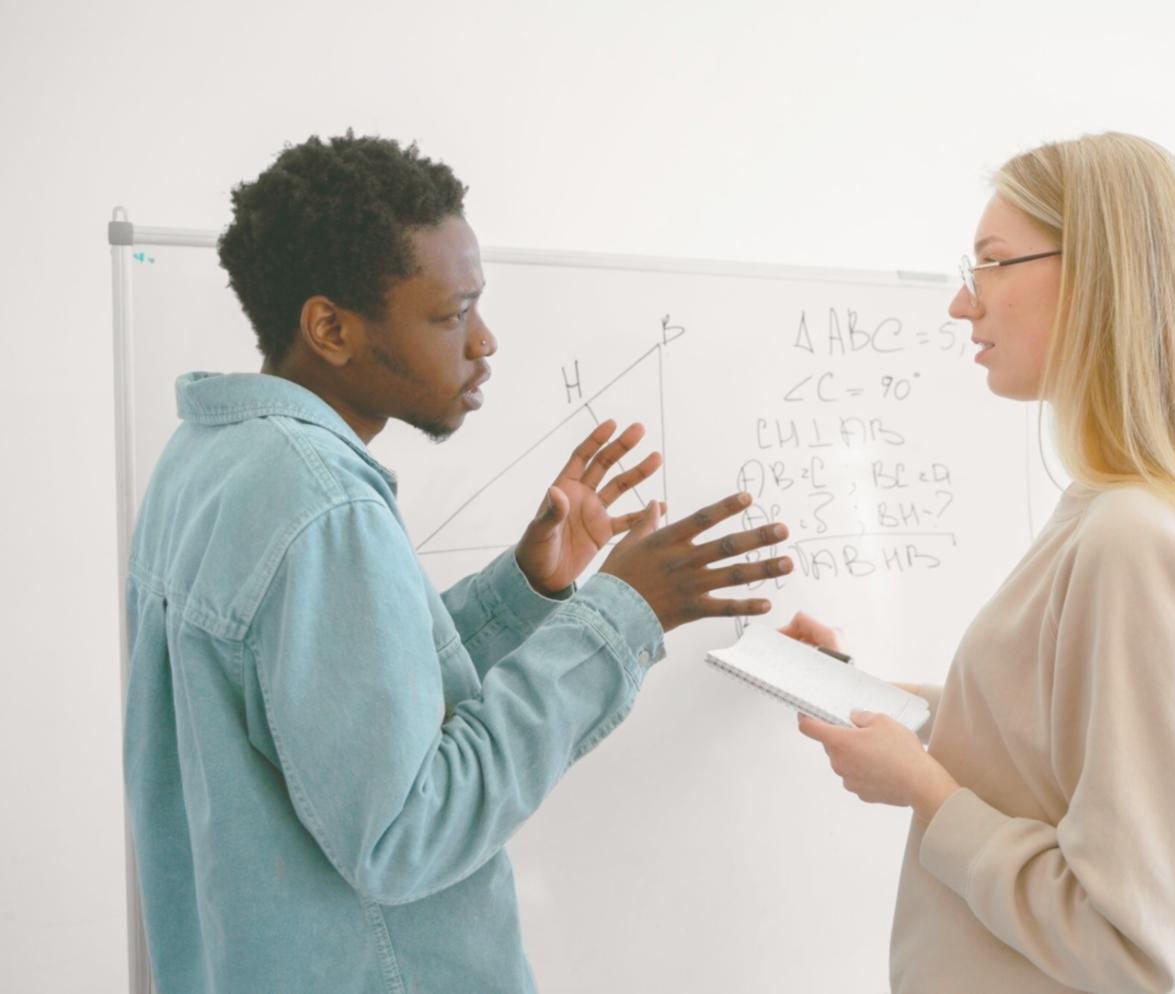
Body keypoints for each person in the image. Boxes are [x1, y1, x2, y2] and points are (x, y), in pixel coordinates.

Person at [122, 132, 794, 993]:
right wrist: (621, 614)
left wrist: (526, 591)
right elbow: (405, 829)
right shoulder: (325, 506)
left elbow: (337, 717)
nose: (484, 342)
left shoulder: (209, 460)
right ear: (330, 328)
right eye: (450, 315)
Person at [788, 132, 1175, 994]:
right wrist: (887, 706)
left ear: (1099, 275)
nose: (960, 303)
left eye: (991, 262)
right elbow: (1052, 738)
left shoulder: (1132, 540)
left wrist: (928, 796)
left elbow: (1136, 952)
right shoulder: (1116, 511)